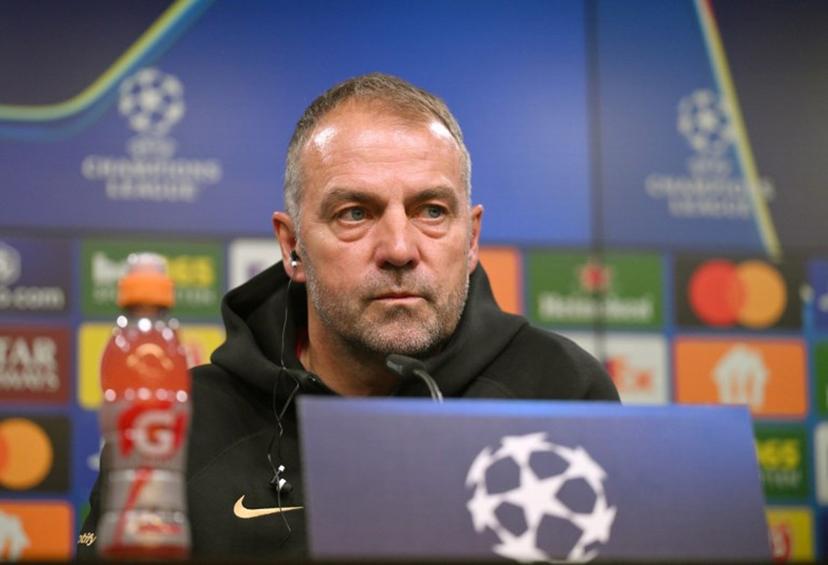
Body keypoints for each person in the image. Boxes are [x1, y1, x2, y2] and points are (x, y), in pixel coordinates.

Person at [77, 73, 619, 559]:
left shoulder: (563, 390)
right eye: (355, 214)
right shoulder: (179, 425)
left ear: (471, 238)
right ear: (292, 248)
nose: (400, 248)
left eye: (432, 211)